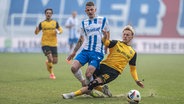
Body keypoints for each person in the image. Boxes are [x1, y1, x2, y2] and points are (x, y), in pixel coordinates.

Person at [62, 25, 144, 99]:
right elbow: (106, 42)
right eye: (124, 34)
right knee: (87, 82)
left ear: (132, 37)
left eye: (128, 35)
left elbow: (133, 69)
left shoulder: (133, 52)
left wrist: (137, 80)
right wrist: (105, 36)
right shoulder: (116, 43)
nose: (125, 36)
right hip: (103, 66)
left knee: (92, 84)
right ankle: (102, 89)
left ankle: (72, 95)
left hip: (113, 71)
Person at [66, 1, 110, 96]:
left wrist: (106, 47)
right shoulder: (83, 23)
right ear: (85, 11)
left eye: (92, 10)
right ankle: (84, 83)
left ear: (95, 10)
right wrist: (74, 52)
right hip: (86, 50)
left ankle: (92, 89)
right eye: (88, 10)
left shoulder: (103, 20)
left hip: (97, 52)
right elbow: (81, 39)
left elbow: (108, 34)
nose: (90, 11)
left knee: (88, 74)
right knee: (73, 68)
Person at [34, 8, 63, 79]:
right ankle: (52, 74)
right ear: (45, 14)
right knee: (50, 58)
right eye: (47, 13)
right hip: (45, 43)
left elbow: (61, 30)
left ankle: (48, 63)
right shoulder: (42, 23)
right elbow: (36, 33)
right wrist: (36, 30)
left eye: (50, 13)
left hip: (54, 44)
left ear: (52, 14)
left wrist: (58, 32)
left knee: (55, 61)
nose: (48, 14)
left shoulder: (55, 23)